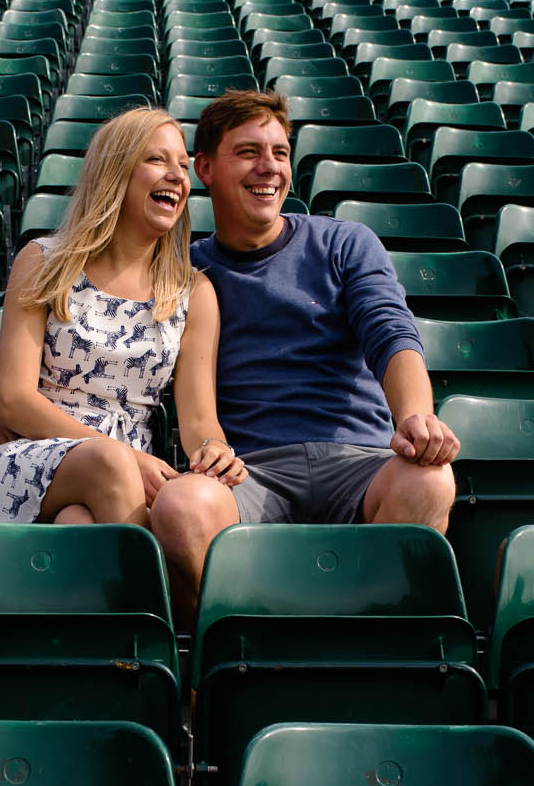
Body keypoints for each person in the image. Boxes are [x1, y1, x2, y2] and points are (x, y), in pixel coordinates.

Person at [145, 89, 460, 621]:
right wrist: (2, 387)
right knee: (181, 507)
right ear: (204, 168)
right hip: (247, 474)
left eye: (281, 152)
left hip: (359, 463)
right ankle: (234, 654)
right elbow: (97, 330)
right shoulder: (180, 272)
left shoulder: (344, 242)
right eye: (248, 152)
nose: (269, 167)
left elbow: (391, 332)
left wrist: (415, 417)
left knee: (429, 478)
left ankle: (364, 649)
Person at [0, 106, 245, 526]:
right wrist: (124, 457)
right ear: (116, 171)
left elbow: (198, 419)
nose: (179, 176)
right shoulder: (44, 261)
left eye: (183, 165)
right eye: (156, 159)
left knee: (77, 523)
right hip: (27, 455)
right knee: (107, 465)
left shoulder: (193, 292)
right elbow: (14, 400)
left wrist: (215, 448)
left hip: (130, 473)